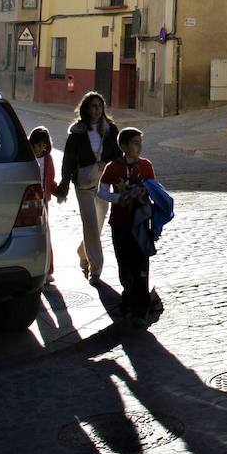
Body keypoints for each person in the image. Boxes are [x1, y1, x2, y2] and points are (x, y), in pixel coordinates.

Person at [55, 91, 121, 285]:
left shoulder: (111, 130)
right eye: (93, 106)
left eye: (100, 106)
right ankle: (96, 268)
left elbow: (118, 154)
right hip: (83, 183)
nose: (97, 110)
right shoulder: (77, 132)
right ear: (86, 108)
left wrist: (106, 163)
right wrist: (64, 183)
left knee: (98, 225)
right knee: (90, 224)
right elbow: (68, 159)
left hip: (103, 183)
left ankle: (82, 251)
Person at [98, 127, 156, 328]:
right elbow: (102, 191)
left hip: (140, 223)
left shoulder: (146, 166)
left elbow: (154, 190)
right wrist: (118, 198)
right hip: (120, 223)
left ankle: (141, 308)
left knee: (141, 264)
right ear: (123, 146)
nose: (139, 147)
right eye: (134, 143)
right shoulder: (114, 167)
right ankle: (128, 297)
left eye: (140, 143)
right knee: (125, 263)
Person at [28, 125, 56, 281]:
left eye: (44, 145)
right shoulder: (27, 158)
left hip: (43, 203)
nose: (42, 148)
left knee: (45, 235)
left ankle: (48, 269)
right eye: (39, 144)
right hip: (28, 203)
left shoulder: (47, 159)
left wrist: (58, 191)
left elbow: (50, 180)